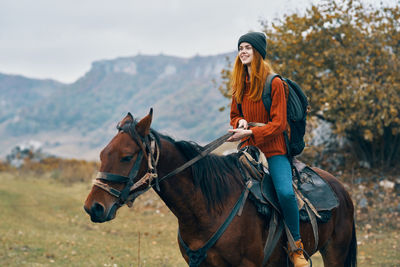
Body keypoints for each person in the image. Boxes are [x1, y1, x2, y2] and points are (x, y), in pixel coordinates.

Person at [227, 32, 309, 267]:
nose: (243, 51)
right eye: (240, 47)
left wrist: (251, 132)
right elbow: (235, 115)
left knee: (284, 192)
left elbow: (279, 124)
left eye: (248, 48)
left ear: (258, 52)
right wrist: (240, 122)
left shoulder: (274, 83)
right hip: (247, 148)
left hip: (273, 149)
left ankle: (296, 247)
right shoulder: (239, 85)